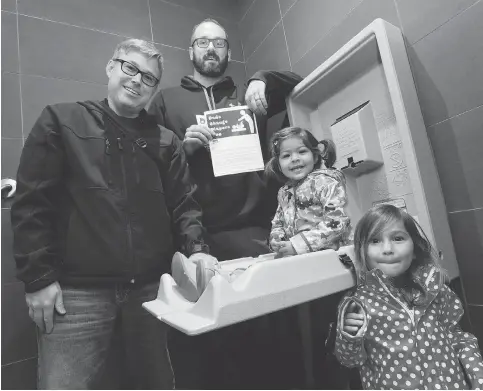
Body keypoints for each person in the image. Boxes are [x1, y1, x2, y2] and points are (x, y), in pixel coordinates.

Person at [11, 38, 216, 389]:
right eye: (130, 68)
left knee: (157, 382)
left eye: (148, 78)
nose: (137, 80)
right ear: (111, 67)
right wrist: (38, 279)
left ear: (153, 89)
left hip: (152, 290)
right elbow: (32, 203)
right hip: (76, 295)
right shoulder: (61, 120)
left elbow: (185, 204)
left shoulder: (167, 142)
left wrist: (197, 250)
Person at [148, 17, 304, 389]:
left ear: (228, 52)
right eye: (202, 42)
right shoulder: (167, 100)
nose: (211, 49)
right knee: (213, 336)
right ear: (191, 51)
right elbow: (148, 161)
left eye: (218, 43)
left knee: (268, 328)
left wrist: (261, 78)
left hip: (254, 228)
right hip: (196, 234)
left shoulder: (251, 95)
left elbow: (299, 84)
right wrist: (181, 149)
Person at [335, 204, 483, 389]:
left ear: (415, 249)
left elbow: (458, 338)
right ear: (362, 251)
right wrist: (349, 336)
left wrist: (478, 379)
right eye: (375, 241)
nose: (387, 249)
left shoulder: (436, 290)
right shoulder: (358, 304)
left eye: (398, 238)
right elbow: (350, 360)